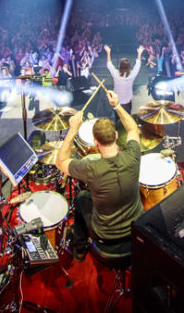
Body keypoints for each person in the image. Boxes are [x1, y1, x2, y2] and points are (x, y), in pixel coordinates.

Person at [56, 90, 143, 261]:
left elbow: (61, 162)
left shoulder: (90, 167)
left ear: (96, 143)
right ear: (116, 136)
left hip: (106, 235)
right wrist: (117, 105)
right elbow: (133, 128)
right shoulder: (133, 154)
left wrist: (73, 130)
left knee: (81, 197)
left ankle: (79, 250)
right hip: (135, 228)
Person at [105, 44, 144, 115]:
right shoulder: (132, 75)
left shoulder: (116, 74)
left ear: (120, 66)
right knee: (127, 119)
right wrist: (139, 53)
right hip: (127, 103)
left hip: (117, 102)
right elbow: (138, 65)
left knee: (118, 120)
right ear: (129, 67)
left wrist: (108, 52)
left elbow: (109, 64)